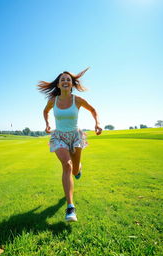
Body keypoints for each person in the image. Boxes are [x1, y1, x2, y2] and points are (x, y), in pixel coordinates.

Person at [37, 68, 102, 222]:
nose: (65, 81)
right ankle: (70, 208)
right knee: (67, 165)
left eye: (68, 79)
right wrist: (47, 124)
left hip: (75, 136)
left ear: (72, 84)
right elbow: (45, 111)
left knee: (74, 169)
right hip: (59, 136)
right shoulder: (53, 101)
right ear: (58, 85)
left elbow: (93, 110)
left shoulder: (77, 100)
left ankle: (78, 169)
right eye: (62, 80)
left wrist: (97, 123)